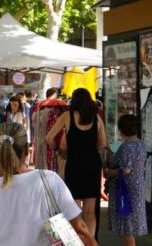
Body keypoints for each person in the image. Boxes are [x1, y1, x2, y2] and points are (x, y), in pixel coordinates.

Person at [45, 88, 106, 238]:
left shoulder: (67, 116)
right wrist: (90, 149)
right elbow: (103, 143)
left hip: (74, 164)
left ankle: (78, 243)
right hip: (92, 164)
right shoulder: (96, 118)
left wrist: (57, 149)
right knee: (90, 210)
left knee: (74, 208)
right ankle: (90, 243)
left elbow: (49, 137)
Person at [105, 114, 147, 246]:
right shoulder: (140, 144)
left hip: (126, 188)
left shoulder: (127, 147)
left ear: (121, 130)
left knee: (127, 218)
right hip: (136, 186)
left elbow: (126, 170)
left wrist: (110, 173)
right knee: (127, 218)